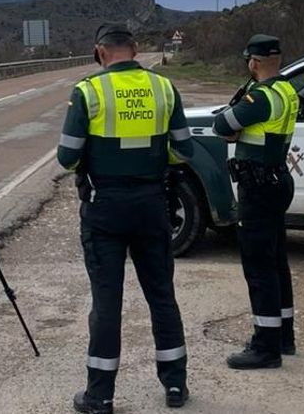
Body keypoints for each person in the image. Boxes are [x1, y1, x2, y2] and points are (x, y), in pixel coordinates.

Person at [57, 24, 195, 413]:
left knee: (107, 303)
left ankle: (100, 396)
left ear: (100, 52)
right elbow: (184, 149)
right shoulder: (164, 88)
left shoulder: (88, 91)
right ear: (135, 49)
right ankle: (175, 385)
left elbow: (67, 158)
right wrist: (152, 161)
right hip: (152, 205)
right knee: (162, 295)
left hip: (105, 208)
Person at [212, 34, 299, 370]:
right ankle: (284, 336)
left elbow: (222, 124)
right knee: (276, 261)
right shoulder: (286, 90)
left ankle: (265, 347)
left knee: (259, 267)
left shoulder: (260, 97)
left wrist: (232, 120)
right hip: (278, 180)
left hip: (258, 187)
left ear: (254, 62)